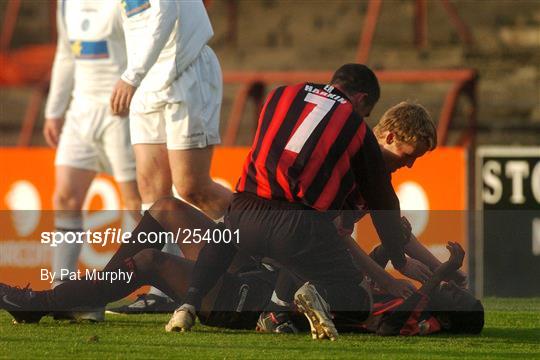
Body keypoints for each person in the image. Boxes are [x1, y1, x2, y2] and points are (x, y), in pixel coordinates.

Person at [167, 65, 439, 340]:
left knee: (225, 231)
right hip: (296, 226)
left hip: (245, 208)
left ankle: (188, 303)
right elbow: (382, 204)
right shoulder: (355, 129)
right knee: (356, 297)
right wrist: (396, 262)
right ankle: (291, 304)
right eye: (365, 112)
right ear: (360, 100)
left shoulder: (280, 95)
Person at [0, 199, 483, 337]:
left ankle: (42, 302)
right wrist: (435, 269)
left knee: (147, 260)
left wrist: (441, 274)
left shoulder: (415, 316)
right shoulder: (409, 296)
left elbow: (381, 305)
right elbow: (369, 267)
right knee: (166, 208)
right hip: (259, 268)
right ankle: (88, 295)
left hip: (244, 302)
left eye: (459, 300)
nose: (457, 293)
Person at [108, 0, 232, 312]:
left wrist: (131, 76)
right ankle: (162, 291)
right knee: (151, 191)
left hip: (185, 69)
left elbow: (166, 12)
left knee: (192, 186)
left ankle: (271, 240)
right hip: (146, 78)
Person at [42, 0, 141, 321]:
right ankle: (62, 288)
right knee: (65, 196)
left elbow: (147, 46)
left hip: (121, 111)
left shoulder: (126, 3)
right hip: (81, 112)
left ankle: (156, 289)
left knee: (135, 203)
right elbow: (65, 54)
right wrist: (54, 111)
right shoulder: (66, 4)